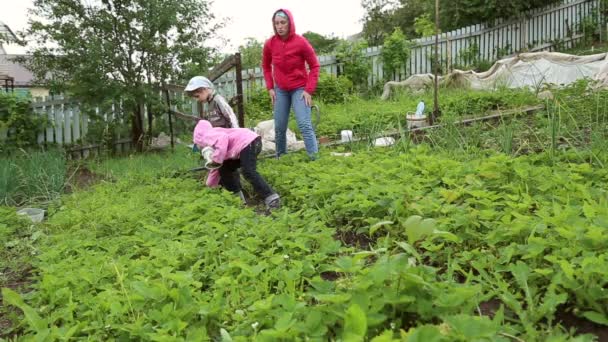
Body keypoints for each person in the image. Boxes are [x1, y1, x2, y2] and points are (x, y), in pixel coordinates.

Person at [262, 9, 320, 159]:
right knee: (279, 127)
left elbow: (315, 66)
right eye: (276, 23)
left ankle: (314, 159)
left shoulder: (300, 42)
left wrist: (309, 90)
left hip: (300, 89)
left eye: (283, 22)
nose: (280, 26)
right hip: (280, 90)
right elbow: (266, 66)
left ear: (290, 23)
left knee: (304, 125)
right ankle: (281, 158)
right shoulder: (270, 44)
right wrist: (270, 88)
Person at [193, 119, 281, 210]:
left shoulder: (207, 136)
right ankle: (238, 201)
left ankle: (272, 199)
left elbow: (223, 139)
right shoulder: (216, 146)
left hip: (249, 142)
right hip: (246, 145)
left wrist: (216, 159)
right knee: (224, 169)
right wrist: (209, 186)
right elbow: (216, 168)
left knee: (248, 171)